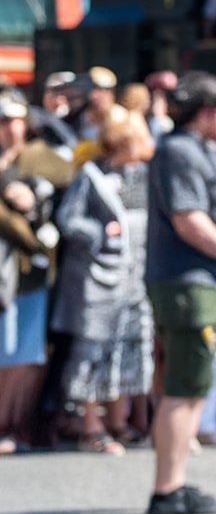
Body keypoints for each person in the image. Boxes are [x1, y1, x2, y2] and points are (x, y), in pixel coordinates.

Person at [145, 73, 216, 514]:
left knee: (191, 385)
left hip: (195, 282)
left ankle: (173, 483)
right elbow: (189, 220)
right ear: (209, 111)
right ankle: (167, 488)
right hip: (187, 283)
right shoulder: (180, 151)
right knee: (184, 384)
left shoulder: (192, 149)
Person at [55, 106, 156, 454]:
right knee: (93, 350)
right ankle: (90, 426)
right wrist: (101, 232)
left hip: (137, 278)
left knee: (127, 348)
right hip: (99, 280)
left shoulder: (143, 174)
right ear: (120, 141)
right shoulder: (92, 175)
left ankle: (118, 422)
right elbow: (68, 218)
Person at [0, 90, 72, 454]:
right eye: (2, 121)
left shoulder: (41, 157)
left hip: (32, 272)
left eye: (13, 119)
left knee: (25, 355)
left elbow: (73, 173)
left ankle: (15, 426)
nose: (8, 128)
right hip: (6, 270)